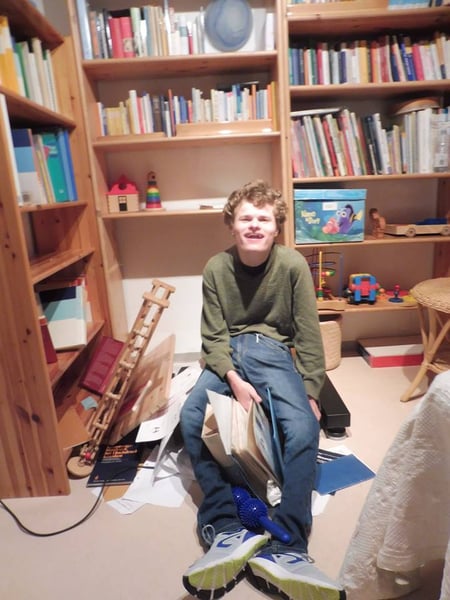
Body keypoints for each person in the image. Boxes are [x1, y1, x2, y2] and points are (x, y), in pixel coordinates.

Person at [180, 180, 346, 600]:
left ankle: (288, 546)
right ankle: (225, 526)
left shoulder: (292, 265)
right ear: (232, 225)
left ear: (276, 227)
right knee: (191, 416)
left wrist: (311, 391)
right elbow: (212, 336)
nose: (254, 225)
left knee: (303, 429)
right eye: (246, 218)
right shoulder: (216, 267)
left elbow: (307, 332)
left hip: (270, 349)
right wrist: (233, 379)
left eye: (264, 219)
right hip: (226, 353)